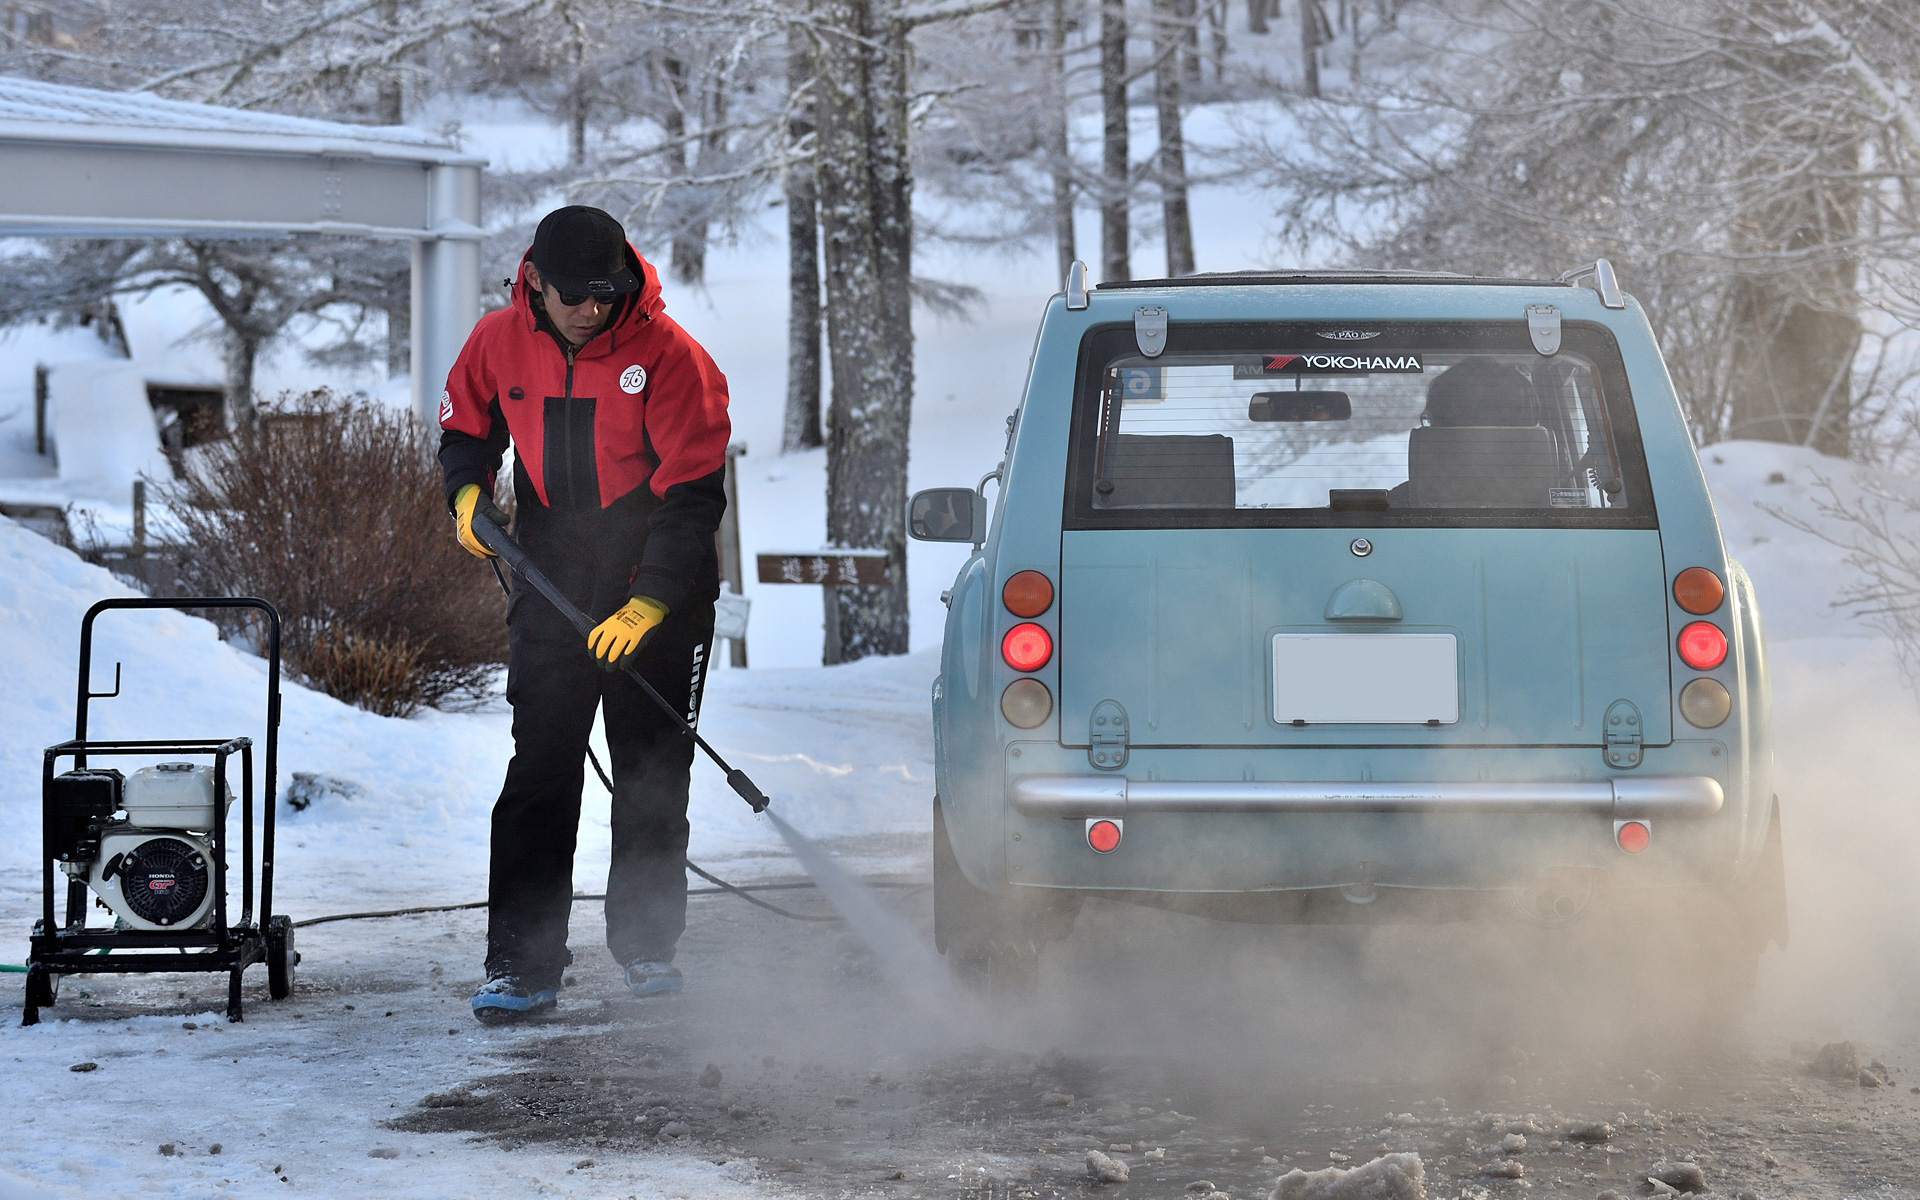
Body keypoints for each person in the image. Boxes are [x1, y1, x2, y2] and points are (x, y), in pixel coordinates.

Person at [438, 205, 731, 1023]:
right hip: (549, 571)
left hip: (655, 579)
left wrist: (648, 604)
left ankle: (646, 945)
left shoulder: (671, 356)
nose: (592, 311)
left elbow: (692, 497)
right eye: (576, 297)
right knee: (540, 769)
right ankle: (521, 962)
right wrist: (466, 494)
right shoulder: (498, 340)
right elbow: (467, 429)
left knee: (649, 767)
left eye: (606, 296)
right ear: (535, 280)